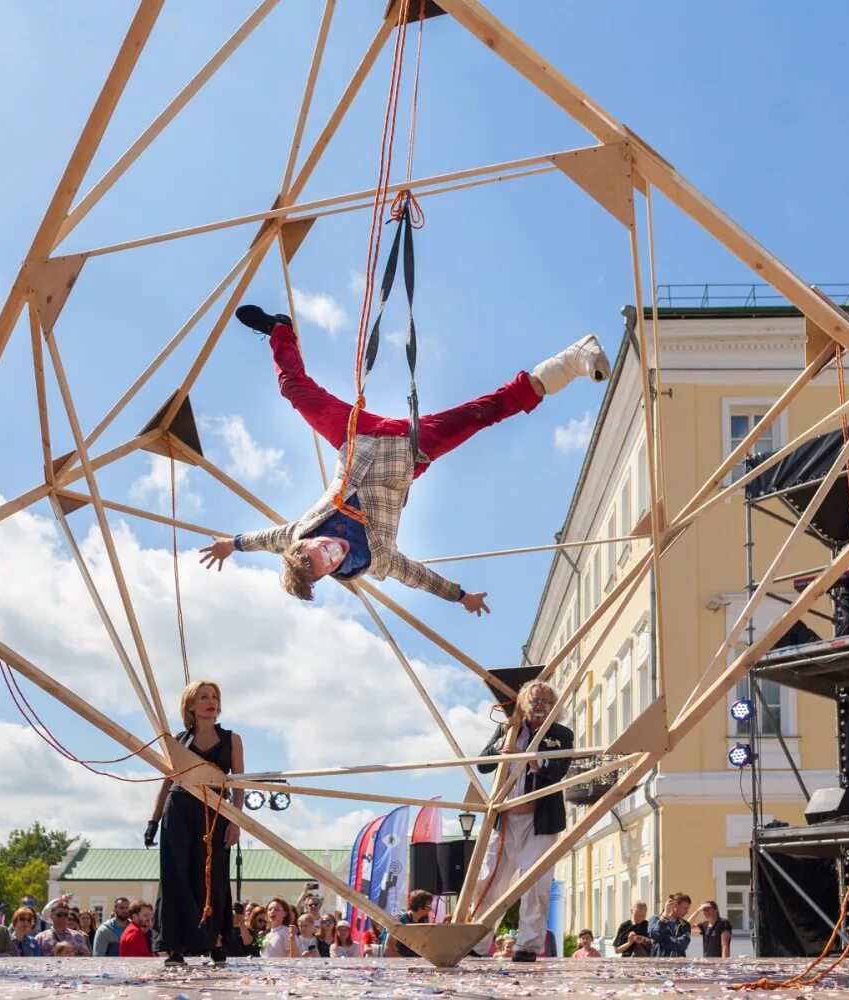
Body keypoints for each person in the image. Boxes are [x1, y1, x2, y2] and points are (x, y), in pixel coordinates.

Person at [199, 306, 610, 612]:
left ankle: (279, 329)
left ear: (305, 542)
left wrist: (230, 545)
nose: (333, 549)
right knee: (485, 413)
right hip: (408, 448)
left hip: (354, 436)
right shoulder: (378, 560)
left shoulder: (296, 537)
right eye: (331, 560)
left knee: (293, 390)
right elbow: (418, 577)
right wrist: (461, 596)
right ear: (330, 573)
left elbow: (265, 539)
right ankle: (570, 361)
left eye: (320, 547)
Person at [473, 680, 574, 962]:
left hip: (540, 823)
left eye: (546, 702)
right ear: (524, 704)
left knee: (535, 884)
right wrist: (504, 739)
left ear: (554, 707)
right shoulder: (509, 729)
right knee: (489, 881)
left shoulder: (561, 734)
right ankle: (478, 944)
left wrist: (531, 759)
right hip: (506, 818)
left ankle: (528, 946)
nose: (540, 707)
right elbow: (483, 765)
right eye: (535, 701)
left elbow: (558, 771)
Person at [145, 680, 242, 966]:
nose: (210, 701)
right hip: (179, 809)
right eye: (203, 697)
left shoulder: (231, 739)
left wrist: (236, 821)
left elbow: (239, 785)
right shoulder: (178, 740)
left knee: (213, 876)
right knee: (175, 875)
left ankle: (215, 940)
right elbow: (166, 783)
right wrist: (153, 820)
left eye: (214, 696)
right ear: (190, 705)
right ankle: (174, 946)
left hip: (215, 811)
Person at [386, 889, 433, 959]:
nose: (431, 908)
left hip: (420, 965)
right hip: (404, 967)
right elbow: (388, 948)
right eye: (428, 905)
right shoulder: (400, 921)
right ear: (420, 907)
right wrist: (405, 963)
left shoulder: (424, 921)